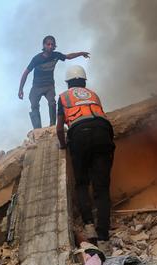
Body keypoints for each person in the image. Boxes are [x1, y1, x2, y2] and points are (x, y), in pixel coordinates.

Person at [56, 66, 115, 245]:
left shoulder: (64, 97)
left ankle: (89, 226)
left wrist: (63, 144)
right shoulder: (93, 94)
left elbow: (59, 128)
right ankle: (104, 234)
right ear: (84, 81)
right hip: (103, 132)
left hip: (79, 134)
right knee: (102, 187)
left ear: (68, 83)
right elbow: (99, 116)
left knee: (82, 183)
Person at [18, 35, 90, 129]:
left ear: (54, 46)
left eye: (52, 44)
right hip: (37, 87)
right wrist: (20, 89)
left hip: (49, 86)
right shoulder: (37, 59)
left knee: (52, 103)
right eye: (48, 44)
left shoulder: (56, 55)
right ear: (44, 45)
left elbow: (68, 56)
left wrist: (81, 53)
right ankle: (37, 129)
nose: (50, 46)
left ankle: (52, 126)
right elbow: (25, 73)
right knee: (34, 106)